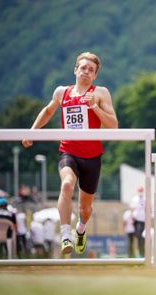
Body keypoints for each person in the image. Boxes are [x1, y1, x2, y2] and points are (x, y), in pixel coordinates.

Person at [22, 52, 118, 255]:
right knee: (66, 185)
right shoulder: (61, 92)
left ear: (94, 76)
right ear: (75, 70)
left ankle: (80, 229)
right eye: (83, 67)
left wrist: (94, 107)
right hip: (69, 152)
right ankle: (66, 234)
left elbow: (113, 125)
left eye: (91, 70)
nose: (86, 71)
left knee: (85, 208)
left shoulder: (100, 93)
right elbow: (48, 111)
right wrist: (32, 131)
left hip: (92, 157)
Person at [130, 186, 146, 257]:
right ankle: (138, 253)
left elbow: (146, 209)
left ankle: (141, 253)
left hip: (142, 220)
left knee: (140, 236)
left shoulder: (145, 199)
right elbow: (132, 208)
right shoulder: (135, 199)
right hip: (135, 220)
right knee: (137, 236)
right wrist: (132, 218)